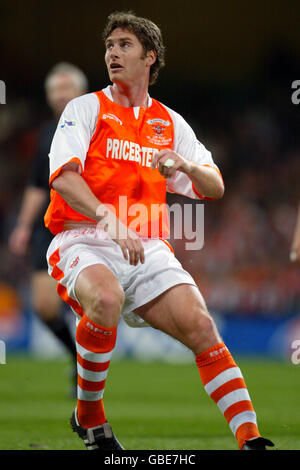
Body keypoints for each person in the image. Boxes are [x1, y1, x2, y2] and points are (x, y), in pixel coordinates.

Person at [44, 11, 274, 450]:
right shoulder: (86, 108)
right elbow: (64, 178)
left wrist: (185, 165)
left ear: (150, 57)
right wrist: (110, 220)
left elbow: (215, 186)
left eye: (124, 45)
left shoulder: (169, 122)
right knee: (106, 299)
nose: (113, 52)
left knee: (202, 328)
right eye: (109, 45)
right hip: (83, 236)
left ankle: (250, 439)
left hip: (147, 245)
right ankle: (91, 418)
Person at [9, 63, 88, 396]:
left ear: (82, 92)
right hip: (48, 223)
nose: (60, 94)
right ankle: (77, 359)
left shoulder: (99, 126)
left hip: (85, 222)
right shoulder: (46, 133)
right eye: (55, 89)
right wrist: (24, 225)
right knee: (44, 305)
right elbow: (38, 184)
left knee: (91, 297)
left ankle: (91, 365)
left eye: (66, 87)